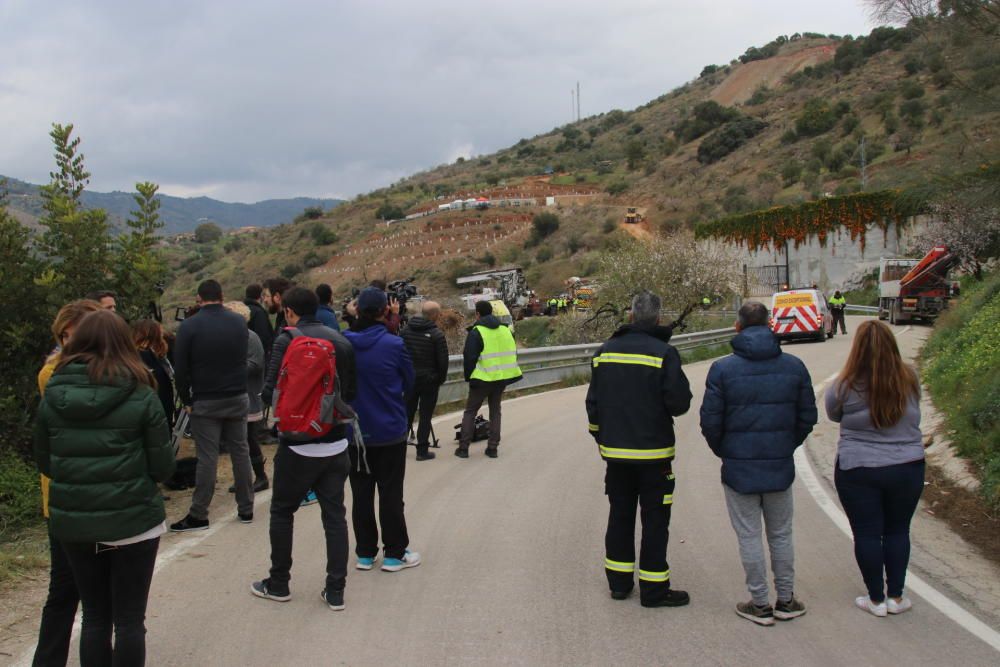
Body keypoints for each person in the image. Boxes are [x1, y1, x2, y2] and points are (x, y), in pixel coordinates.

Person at [34, 309, 175, 666]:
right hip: (133, 519)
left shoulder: (53, 393)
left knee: (95, 618)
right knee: (129, 621)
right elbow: (161, 466)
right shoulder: (142, 393)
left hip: (75, 522)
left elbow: (46, 461)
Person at [699, 301, 817, 625]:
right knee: (781, 533)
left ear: (737, 327)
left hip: (739, 469)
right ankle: (787, 600)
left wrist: (726, 450)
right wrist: (786, 445)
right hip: (779, 466)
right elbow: (808, 416)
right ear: (770, 326)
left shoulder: (722, 369)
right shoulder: (794, 367)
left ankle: (760, 602)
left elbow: (710, 421)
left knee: (749, 535)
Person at [585, 291, 692, 608]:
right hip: (655, 457)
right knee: (655, 520)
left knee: (619, 515)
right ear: (657, 319)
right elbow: (679, 403)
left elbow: (593, 406)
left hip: (616, 456)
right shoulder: (664, 354)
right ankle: (654, 590)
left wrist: (602, 441)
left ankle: (619, 584)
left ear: (630, 316)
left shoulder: (604, 353)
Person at [253, 287, 357, 608]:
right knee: (335, 516)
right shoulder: (341, 340)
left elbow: (270, 389)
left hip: (297, 445)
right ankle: (336, 590)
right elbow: (349, 393)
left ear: (287, 311)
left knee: (283, 511)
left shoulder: (285, 340)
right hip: (336, 442)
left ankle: (279, 583)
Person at [826, 320, 924, 617]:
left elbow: (832, 414)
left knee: (867, 533)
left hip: (859, 467)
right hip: (907, 465)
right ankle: (896, 595)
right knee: (897, 530)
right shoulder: (909, 377)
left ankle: (875, 599)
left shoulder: (844, 385)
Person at [32, 299, 101, 667]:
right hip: (64, 497)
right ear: (65, 333)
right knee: (64, 588)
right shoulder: (53, 373)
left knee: (96, 592)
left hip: (96, 495)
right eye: (80, 331)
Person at [344, 287, 420, 571]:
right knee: (390, 493)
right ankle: (394, 553)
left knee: (361, 493)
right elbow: (410, 382)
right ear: (385, 311)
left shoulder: (343, 342)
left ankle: (365, 553)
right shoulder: (393, 344)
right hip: (389, 430)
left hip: (355, 432)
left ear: (357, 310)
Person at [169, 279, 255, 531]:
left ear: (199, 298)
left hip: (205, 398)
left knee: (208, 457)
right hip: (237, 396)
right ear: (222, 295)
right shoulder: (238, 322)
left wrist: (186, 400)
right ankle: (246, 507)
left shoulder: (189, 326)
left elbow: (181, 368)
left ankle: (199, 513)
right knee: (241, 451)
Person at [456, 300, 521, 459]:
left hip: (482, 379)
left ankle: (463, 448)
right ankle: (493, 448)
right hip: (500, 379)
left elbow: (469, 357)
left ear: (477, 314)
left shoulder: (476, 331)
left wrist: (469, 377)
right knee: (495, 412)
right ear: (491, 312)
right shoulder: (505, 330)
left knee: (470, 411)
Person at [223, 301, 269, 493]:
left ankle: (261, 476)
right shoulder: (230, 338)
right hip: (236, 394)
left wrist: (230, 369)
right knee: (236, 439)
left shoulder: (251, 337)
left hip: (249, 395)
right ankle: (243, 477)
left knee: (249, 438)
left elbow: (256, 365)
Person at [400, 301, 449, 461]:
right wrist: (439, 379)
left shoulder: (405, 331)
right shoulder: (437, 334)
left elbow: (400, 355)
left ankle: (398, 449)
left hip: (409, 380)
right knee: (425, 415)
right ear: (435, 315)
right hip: (429, 380)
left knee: (407, 413)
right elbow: (443, 362)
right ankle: (422, 451)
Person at [133, 319, 175, 429]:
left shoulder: (157, 352)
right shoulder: (139, 355)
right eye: (159, 330)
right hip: (152, 405)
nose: (162, 332)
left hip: (164, 402)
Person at [244, 284, 275, 358]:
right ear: (260, 296)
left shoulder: (242, 310)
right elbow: (263, 335)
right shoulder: (259, 312)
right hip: (257, 355)